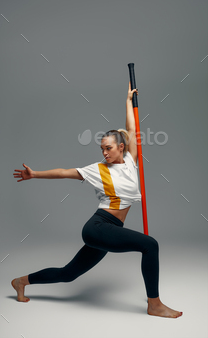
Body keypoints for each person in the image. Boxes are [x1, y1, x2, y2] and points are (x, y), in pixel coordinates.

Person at [11, 82, 183, 318]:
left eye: (109, 148)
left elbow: (131, 130)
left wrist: (127, 101)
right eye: (102, 149)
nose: (104, 153)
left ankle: (21, 281)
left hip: (111, 228)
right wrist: (35, 174)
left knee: (68, 273)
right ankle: (155, 304)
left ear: (121, 148)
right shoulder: (97, 169)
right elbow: (63, 172)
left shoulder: (132, 161)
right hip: (98, 227)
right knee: (149, 245)